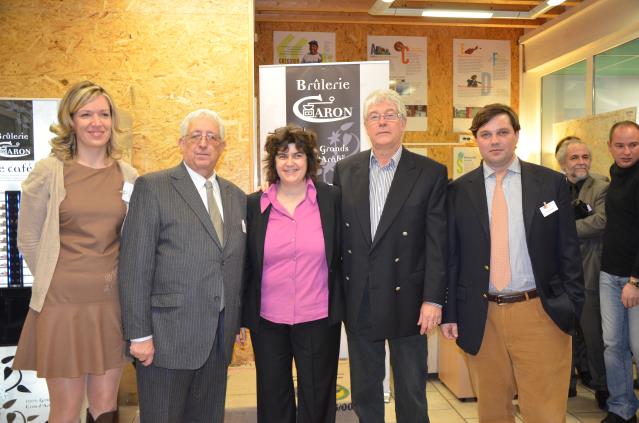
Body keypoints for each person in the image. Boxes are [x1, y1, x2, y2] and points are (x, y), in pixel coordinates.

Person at [442, 103, 584, 422]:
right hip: (482, 315)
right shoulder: (457, 191)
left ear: (516, 136)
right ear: (476, 140)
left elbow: (568, 249)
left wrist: (572, 303)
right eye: (486, 134)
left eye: (503, 132)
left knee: (545, 412)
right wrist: (450, 312)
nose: (494, 141)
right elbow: (451, 257)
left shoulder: (550, 184)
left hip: (540, 311)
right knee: (492, 411)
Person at [13, 80, 138, 423]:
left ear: (113, 121)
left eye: (103, 113)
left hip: (110, 305)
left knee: (105, 408)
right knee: (65, 411)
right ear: (71, 121)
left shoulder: (128, 176)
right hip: (61, 306)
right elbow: (29, 238)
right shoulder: (49, 171)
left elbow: (132, 243)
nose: (96, 122)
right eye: (86, 114)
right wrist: (54, 283)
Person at [118, 109, 246, 422]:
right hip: (166, 340)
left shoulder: (237, 197)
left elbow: (237, 264)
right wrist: (139, 335)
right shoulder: (154, 188)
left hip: (217, 340)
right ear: (181, 143)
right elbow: (135, 266)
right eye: (196, 136)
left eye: (212, 137)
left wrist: (238, 317)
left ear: (222, 146)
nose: (204, 144)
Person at [333, 89, 447, 423]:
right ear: (365, 125)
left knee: (411, 392)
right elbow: (340, 239)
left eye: (390, 115)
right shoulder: (345, 170)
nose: (382, 121)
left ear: (403, 122)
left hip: (409, 299)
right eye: (374, 116)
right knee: (366, 392)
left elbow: (437, 242)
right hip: (361, 297)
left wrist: (433, 299)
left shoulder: (429, 172)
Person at [242, 125, 343, 423]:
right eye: (282, 155)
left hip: (318, 316)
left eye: (298, 155)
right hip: (268, 319)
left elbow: (343, 254)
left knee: (318, 394)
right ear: (272, 162)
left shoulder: (332, 199)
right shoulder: (254, 204)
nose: (290, 162)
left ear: (310, 160)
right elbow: (246, 264)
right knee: (273, 396)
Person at [555, 136, 609, 408]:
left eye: (585, 157)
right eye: (575, 158)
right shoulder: (553, 187)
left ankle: (601, 386)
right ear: (562, 163)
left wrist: (563, 232)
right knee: (566, 331)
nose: (581, 162)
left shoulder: (601, 186)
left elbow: (601, 221)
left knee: (592, 332)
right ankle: (567, 383)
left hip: (590, 269)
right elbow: (544, 218)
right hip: (561, 273)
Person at [599, 121, 639, 423]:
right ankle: (622, 409)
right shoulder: (614, 175)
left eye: (633, 145)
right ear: (610, 146)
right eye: (620, 145)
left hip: (633, 279)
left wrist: (635, 280)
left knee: (637, 347)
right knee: (613, 346)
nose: (626, 151)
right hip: (609, 274)